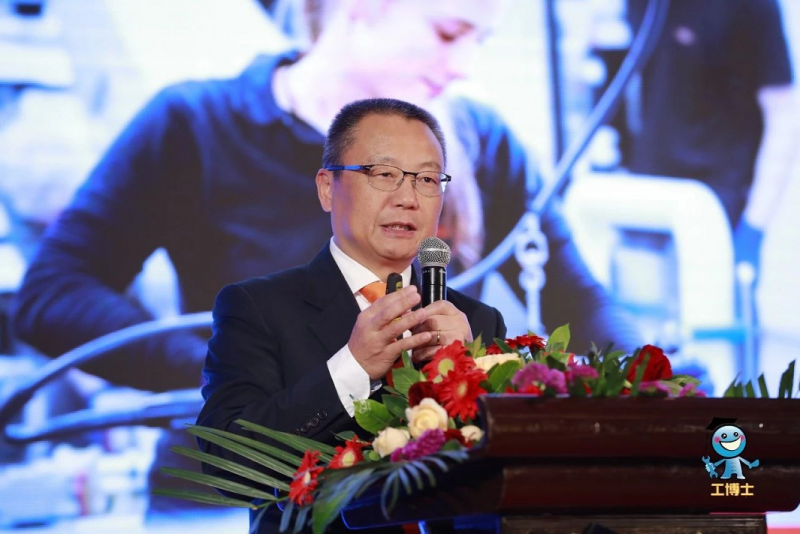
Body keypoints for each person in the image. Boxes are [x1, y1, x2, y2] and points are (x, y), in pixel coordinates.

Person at [11, 0, 639, 396]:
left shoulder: (481, 138)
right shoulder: (195, 126)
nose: (464, 66)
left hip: (424, 474)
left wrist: (652, 390)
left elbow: (581, 301)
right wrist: (225, 367)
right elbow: (52, 296)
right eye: (450, 33)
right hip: (249, 478)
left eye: (482, 40)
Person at [198, 98, 506, 533]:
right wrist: (354, 368)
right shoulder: (258, 308)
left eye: (426, 179)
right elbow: (227, 467)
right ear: (327, 188)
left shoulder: (477, 321)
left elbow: (505, 479)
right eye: (383, 174)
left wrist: (466, 371)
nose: (407, 198)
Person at [619, 0, 797, 296]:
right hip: (648, 209)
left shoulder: (752, 6)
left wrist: (753, 230)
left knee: (716, 319)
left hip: (718, 213)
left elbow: (782, 117)